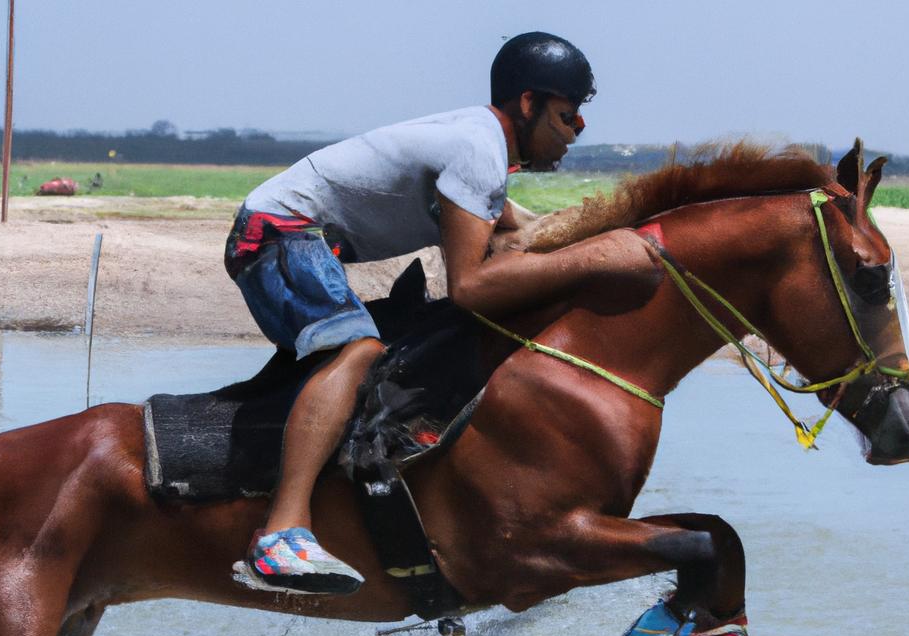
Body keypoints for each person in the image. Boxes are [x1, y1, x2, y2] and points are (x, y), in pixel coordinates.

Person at [226, 31, 656, 595]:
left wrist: (615, 238)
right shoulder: (478, 149)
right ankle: (280, 535)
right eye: (567, 116)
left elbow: (523, 236)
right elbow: (472, 288)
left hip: (311, 242)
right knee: (358, 352)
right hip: (280, 234)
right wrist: (597, 260)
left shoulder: (481, 148)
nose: (576, 132)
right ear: (528, 104)